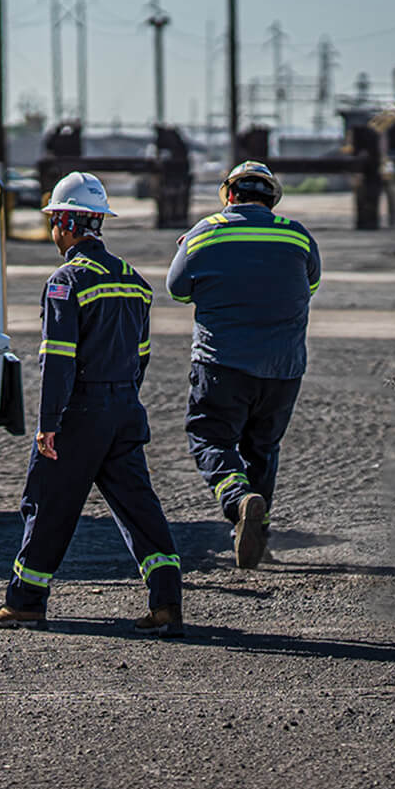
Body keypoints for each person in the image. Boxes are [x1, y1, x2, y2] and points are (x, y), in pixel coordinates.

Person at [0, 172, 184, 637]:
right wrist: (123, 400)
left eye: (55, 220)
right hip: (124, 410)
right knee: (139, 508)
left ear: (68, 224)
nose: (54, 230)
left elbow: (59, 360)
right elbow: (142, 357)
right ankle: (167, 600)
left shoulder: (66, 281)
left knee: (47, 504)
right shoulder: (134, 281)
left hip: (80, 412)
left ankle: (26, 601)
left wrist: (49, 422)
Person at [167, 160, 321, 569]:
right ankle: (257, 532)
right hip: (284, 370)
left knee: (209, 438)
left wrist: (190, 249)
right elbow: (311, 285)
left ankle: (238, 501)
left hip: (223, 364)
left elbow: (177, 291)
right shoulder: (298, 236)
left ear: (229, 195)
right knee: (264, 449)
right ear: (271, 199)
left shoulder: (204, 234)